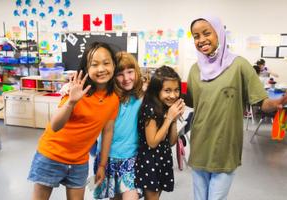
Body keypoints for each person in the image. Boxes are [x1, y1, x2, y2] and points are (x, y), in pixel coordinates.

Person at [186, 16, 287, 200]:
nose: (201, 40)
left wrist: (277, 102)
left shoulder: (239, 65)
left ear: (219, 34)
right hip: (199, 143)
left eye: (207, 33)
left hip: (225, 145)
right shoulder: (195, 70)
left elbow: (261, 101)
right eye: (196, 36)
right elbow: (193, 102)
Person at [27, 42, 120, 200]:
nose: (101, 69)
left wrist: (102, 165)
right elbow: (55, 126)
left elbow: (108, 131)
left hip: (79, 162)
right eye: (94, 64)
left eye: (106, 63)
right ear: (86, 68)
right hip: (51, 155)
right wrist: (71, 102)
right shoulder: (75, 89)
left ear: (113, 65)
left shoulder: (113, 99)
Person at [93, 51, 144, 200]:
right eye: (120, 74)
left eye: (130, 72)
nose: (126, 78)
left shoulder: (141, 96)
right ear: (113, 76)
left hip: (131, 159)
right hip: (108, 158)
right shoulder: (109, 98)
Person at [135, 65, 185, 200]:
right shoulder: (150, 109)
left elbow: (171, 142)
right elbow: (152, 142)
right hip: (149, 162)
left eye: (176, 90)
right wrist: (169, 118)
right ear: (157, 91)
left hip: (163, 159)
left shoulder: (165, 107)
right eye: (167, 90)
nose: (173, 95)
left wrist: (174, 120)